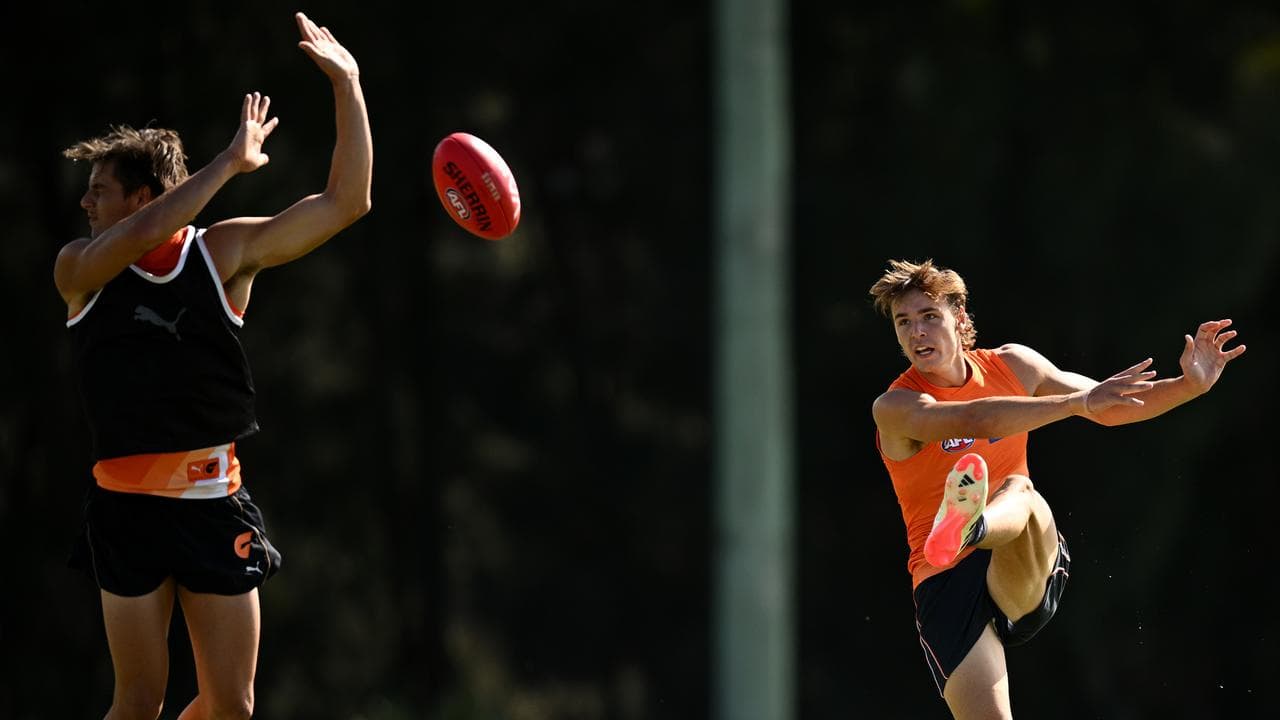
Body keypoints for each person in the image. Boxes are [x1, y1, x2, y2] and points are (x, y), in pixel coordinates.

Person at [56, 12, 371, 720]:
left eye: (98, 191)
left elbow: (347, 203)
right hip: (124, 510)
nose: (83, 202)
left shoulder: (221, 255)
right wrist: (228, 163)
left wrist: (348, 86)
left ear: (142, 194)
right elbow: (140, 236)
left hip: (210, 501)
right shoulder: (79, 269)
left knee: (232, 706)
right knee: (138, 701)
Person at [868, 258, 1245, 719]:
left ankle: (971, 524)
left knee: (1020, 492)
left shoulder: (1013, 364)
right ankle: (964, 528)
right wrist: (1075, 403)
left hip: (1021, 555)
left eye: (929, 317)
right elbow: (975, 418)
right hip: (943, 579)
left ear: (960, 319)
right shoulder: (896, 405)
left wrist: (1189, 386)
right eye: (904, 323)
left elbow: (1107, 405)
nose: (917, 333)